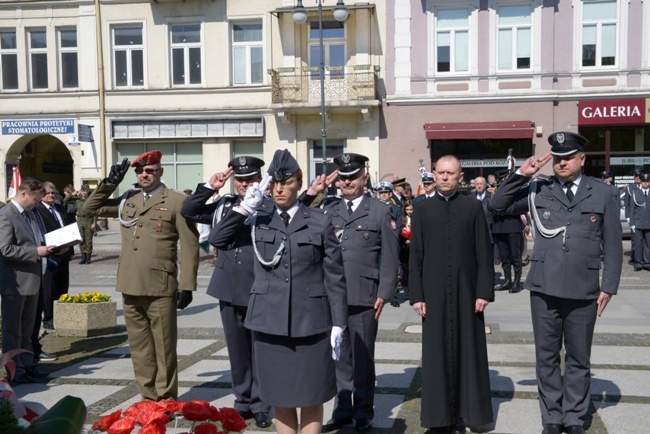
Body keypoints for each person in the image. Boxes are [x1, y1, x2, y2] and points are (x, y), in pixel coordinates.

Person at [489, 132, 622, 434]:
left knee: (578, 357)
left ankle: (574, 417)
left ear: (581, 159)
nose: (562, 163)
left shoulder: (603, 193)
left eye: (568, 157)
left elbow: (613, 244)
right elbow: (497, 205)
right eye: (557, 158)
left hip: (585, 287)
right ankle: (551, 417)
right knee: (546, 356)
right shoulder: (538, 188)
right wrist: (521, 174)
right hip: (544, 287)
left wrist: (609, 285)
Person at [213, 149, 347, 434]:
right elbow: (219, 239)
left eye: (286, 183)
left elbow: (335, 276)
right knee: (279, 397)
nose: (279, 189)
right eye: (274, 183)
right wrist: (244, 209)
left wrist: (339, 323)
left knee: (312, 395)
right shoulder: (256, 218)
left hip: (311, 322)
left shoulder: (319, 220)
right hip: (269, 322)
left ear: (299, 183)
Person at [83, 151, 199, 401]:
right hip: (130, 283)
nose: (144, 175)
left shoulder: (177, 201)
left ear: (161, 171)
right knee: (139, 347)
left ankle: (166, 399)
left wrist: (187, 284)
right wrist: (110, 183)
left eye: (150, 170)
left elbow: (190, 245)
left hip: (161, 286)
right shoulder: (129, 199)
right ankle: (148, 398)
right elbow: (88, 208)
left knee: (164, 347)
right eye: (139, 171)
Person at [302, 153, 400, 433]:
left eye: (352, 176)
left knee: (363, 357)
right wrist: (312, 193)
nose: (347, 182)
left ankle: (363, 411)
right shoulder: (327, 210)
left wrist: (385, 292)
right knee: (338, 356)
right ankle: (342, 409)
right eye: (342, 177)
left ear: (364, 177)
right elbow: (297, 212)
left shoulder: (381, 211)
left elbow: (391, 258)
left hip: (365, 295)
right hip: (331, 296)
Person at [180, 156, 272, 428]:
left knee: (260, 348)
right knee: (237, 348)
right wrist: (210, 187)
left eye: (250, 179)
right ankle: (243, 401)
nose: (244, 184)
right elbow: (189, 210)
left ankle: (262, 403)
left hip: (260, 286)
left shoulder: (270, 205)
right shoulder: (225, 205)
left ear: (260, 179)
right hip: (230, 287)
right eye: (240, 179)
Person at [409, 155, 494, 433]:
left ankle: (466, 414)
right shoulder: (421, 209)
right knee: (435, 355)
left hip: (467, 291)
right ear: (434, 174)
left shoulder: (472, 207)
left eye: (451, 173)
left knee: (468, 352)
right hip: (432, 292)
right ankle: (439, 418)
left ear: (460, 177)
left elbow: (484, 251)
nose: (445, 177)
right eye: (441, 172)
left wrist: (484, 291)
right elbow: (416, 256)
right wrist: (416, 294)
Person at [0, 177, 54, 384]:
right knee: (13, 330)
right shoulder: (6, 215)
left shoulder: (29, 214)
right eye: (35, 199)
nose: (37, 203)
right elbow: (4, 249)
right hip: (15, 282)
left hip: (32, 280)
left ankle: (28, 364)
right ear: (23, 193)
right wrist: (36, 251)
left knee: (28, 329)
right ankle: (15, 370)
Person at [37, 182, 73, 334]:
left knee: (63, 285)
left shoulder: (59, 208)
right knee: (49, 287)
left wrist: (70, 249)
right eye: (48, 193)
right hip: (51, 255)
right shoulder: (37, 210)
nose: (51, 195)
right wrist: (52, 251)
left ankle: (62, 314)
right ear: (41, 194)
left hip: (64, 253)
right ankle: (48, 318)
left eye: (53, 193)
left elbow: (67, 226)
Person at [64, 184, 96, 264]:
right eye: (82, 191)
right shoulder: (77, 200)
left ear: (88, 191)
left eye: (85, 191)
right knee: (81, 239)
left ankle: (88, 257)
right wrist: (72, 194)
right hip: (80, 220)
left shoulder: (91, 200)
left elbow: (95, 212)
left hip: (89, 220)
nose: (84, 193)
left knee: (88, 240)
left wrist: (94, 223)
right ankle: (83, 257)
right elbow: (65, 201)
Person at [629, 172, 650, 271]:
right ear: (641, 182)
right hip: (638, 223)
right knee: (638, 244)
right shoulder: (635, 193)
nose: (645, 183)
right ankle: (638, 263)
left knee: (648, 244)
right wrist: (632, 223)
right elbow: (632, 209)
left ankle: (647, 262)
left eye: (647, 181)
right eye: (644, 181)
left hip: (649, 223)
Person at [624, 169, 642, 264]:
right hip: (634, 217)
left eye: (639, 177)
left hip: (644, 217)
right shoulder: (630, 187)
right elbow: (627, 203)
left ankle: (643, 257)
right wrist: (628, 216)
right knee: (634, 239)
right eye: (636, 177)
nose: (637, 179)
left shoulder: (645, 186)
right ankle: (634, 256)